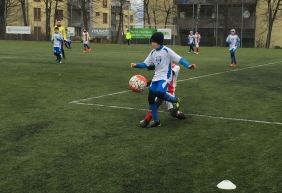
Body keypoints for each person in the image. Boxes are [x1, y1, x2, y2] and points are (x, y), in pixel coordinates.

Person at [130, 32, 196, 127]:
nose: (151, 43)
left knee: (159, 93)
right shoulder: (152, 52)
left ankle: (175, 100)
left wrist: (188, 65)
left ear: (157, 42)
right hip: (156, 78)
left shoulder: (167, 51)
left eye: (152, 41)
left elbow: (180, 59)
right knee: (151, 99)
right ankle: (157, 122)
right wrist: (136, 65)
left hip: (165, 79)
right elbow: (145, 64)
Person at [139, 63, 189, 128]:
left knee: (173, 113)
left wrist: (155, 67)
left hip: (169, 93)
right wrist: (144, 84)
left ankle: (177, 110)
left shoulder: (176, 67)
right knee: (155, 103)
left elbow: (167, 75)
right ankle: (147, 121)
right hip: (160, 90)